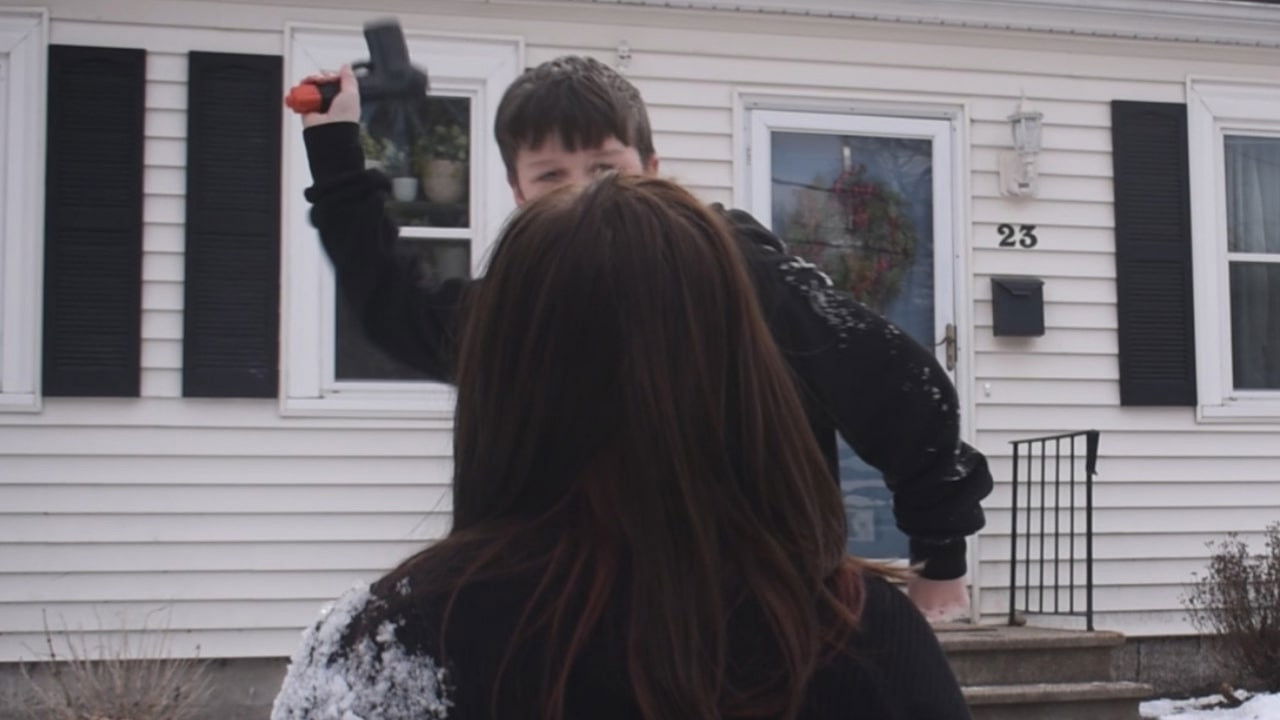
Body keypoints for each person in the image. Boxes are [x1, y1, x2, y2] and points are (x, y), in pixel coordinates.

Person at [297, 56, 992, 621]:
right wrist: (334, 148)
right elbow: (394, 308)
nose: (584, 192)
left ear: (652, 169)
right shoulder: (522, 308)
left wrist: (940, 556)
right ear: (518, 192)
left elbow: (902, 389)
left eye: (606, 169)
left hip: (762, 615)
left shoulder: (743, 277)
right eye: (552, 176)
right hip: (572, 623)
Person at [271, 174, 972, 720]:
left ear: (498, 370)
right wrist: (940, 552)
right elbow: (910, 387)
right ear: (746, 372)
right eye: (554, 172)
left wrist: (337, 157)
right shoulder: (860, 648)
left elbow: (393, 305)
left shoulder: (385, 645)